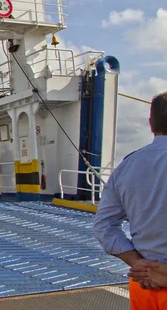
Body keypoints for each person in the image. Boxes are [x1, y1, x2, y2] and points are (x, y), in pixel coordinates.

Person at [93, 91, 167, 309]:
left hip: (144, 284)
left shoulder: (127, 166)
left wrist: (138, 263)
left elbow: (104, 226)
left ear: (151, 123)